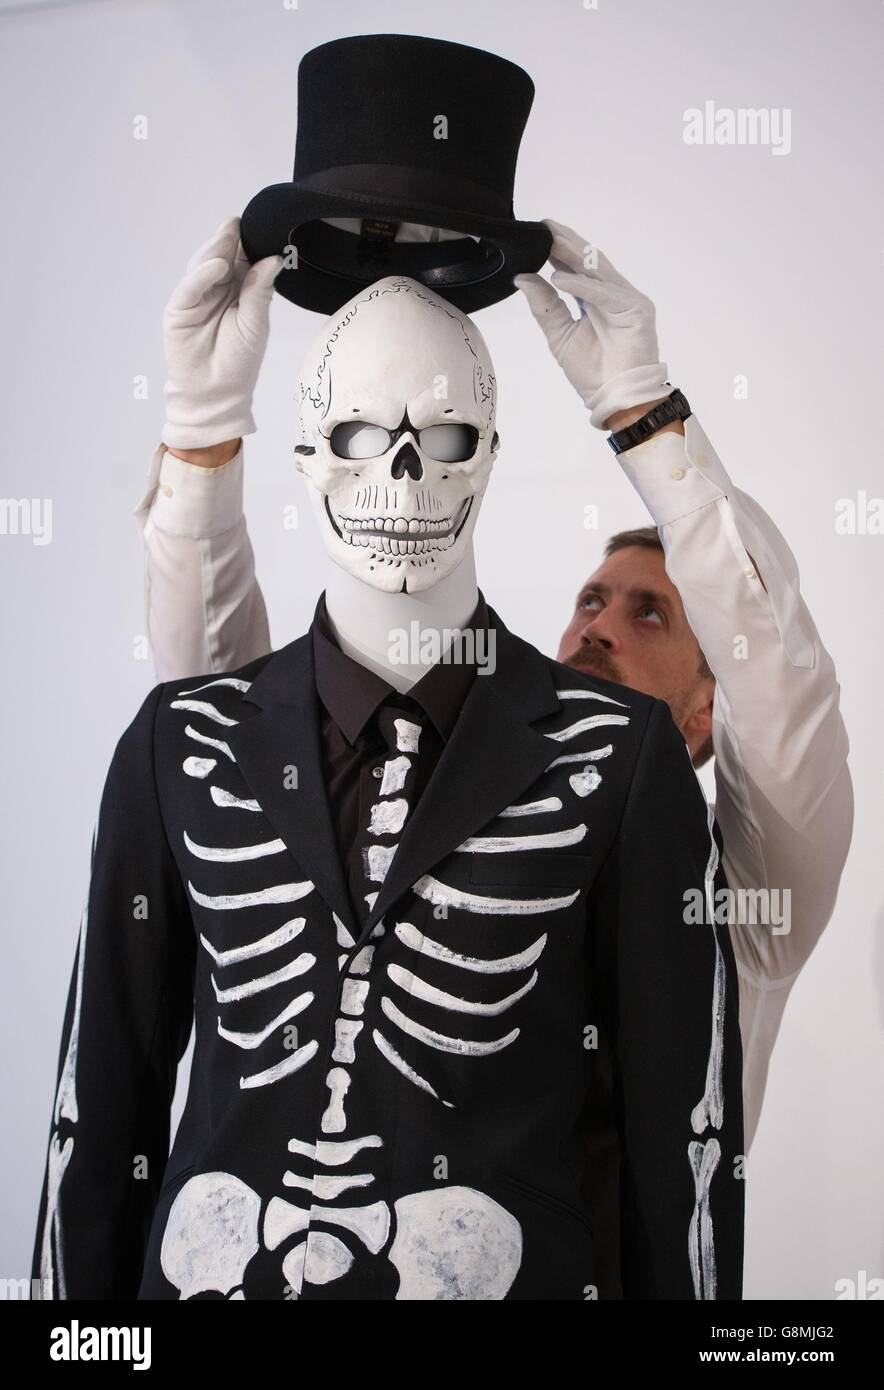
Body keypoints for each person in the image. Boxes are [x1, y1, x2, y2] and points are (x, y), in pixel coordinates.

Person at [33, 262, 744, 1300]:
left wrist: (649, 418)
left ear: (488, 459)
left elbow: (683, 1147)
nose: (404, 478)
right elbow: (94, 1122)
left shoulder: (618, 759)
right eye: (363, 436)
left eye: (444, 440)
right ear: (310, 459)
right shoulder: (177, 741)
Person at [135, 217, 853, 1153]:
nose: (596, 624)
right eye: (592, 599)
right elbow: (228, 732)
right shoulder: (450, 800)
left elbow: (780, 671)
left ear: (714, 705)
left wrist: (644, 416)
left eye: (651, 615)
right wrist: (201, 432)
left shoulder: (748, 909)